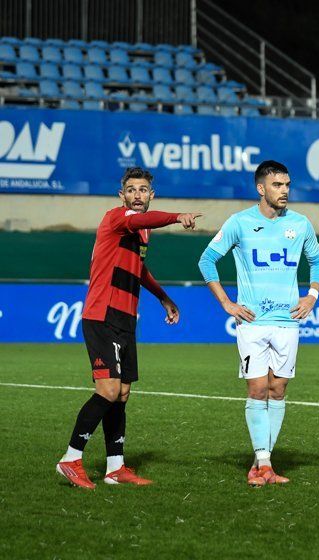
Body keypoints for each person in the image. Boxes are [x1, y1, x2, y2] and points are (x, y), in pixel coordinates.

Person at [56, 167, 202, 489]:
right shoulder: (117, 218)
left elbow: (140, 269)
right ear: (122, 195)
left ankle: (115, 467)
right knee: (107, 390)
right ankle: (70, 458)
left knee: (121, 394)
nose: (138, 195)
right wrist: (179, 216)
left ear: (152, 195)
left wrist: (164, 298)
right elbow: (139, 220)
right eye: (132, 189)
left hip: (125, 318)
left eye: (144, 189)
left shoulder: (141, 234)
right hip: (101, 314)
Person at [198, 160, 319, 486]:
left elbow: (317, 259)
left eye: (287, 185)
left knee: (278, 390)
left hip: (288, 322)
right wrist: (226, 302)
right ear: (261, 188)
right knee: (257, 389)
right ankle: (265, 464)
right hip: (252, 322)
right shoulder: (239, 223)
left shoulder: (300, 224)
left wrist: (311, 295)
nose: (284, 191)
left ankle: (261, 463)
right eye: (277, 185)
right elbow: (207, 259)